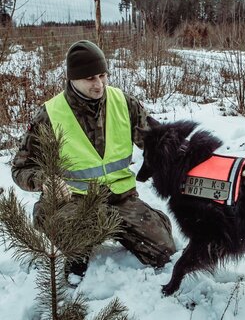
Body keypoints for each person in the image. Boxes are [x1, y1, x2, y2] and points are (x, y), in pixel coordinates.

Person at [11, 40, 176, 277]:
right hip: (74, 203)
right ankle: (74, 248)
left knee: (164, 251)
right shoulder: (50, 115)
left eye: (102, 75)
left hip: (121, 199)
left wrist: (184, 152)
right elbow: (21, 168)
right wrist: (45, 181)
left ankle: (150, 221)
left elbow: (158, 141)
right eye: (90, 78)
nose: (99, 84)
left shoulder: (124, 102)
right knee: (76, 239)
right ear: (72, 78)